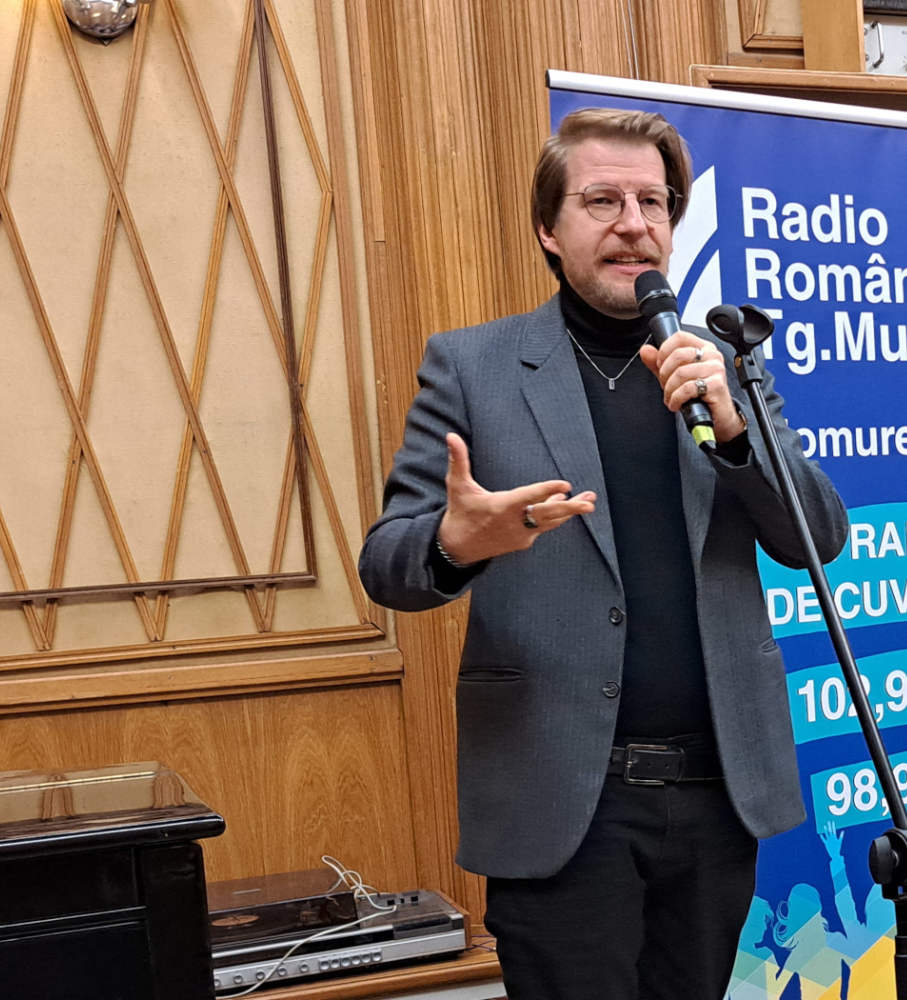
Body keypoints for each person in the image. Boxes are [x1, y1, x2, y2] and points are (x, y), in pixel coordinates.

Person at [357, 107, 848, 1000]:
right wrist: (456, 542)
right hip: (561, 799)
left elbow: (816, 539)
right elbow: (387, 563)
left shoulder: (723, 364)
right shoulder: (473, 366)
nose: (634, 223)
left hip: (716, 795)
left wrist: (737, 429)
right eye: (602, 201)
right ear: (549, 229)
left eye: (653, 202)